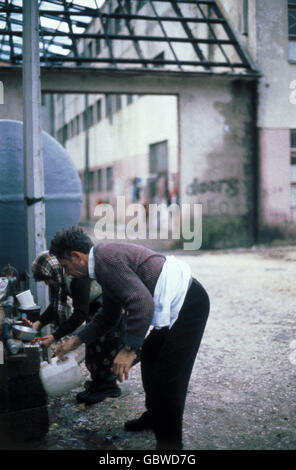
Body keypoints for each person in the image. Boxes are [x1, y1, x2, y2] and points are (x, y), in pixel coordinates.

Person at [50, 226, 210, 451]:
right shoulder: (102, 264)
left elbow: (141, 304)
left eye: (66, 267)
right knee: (152, 357)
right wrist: (75, 341)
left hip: (190, 304)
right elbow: (108, 315)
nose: (67, 274)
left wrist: (128, 350)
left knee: (169, 378)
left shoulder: (106, 261)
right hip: (177, 302)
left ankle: (170, 447)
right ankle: (154, 417)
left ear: (77, 257)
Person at [32, 251, 122, 405]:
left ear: (53, 271)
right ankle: (98, 383)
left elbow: (79, 313)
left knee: (105, 348)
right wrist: (39, 323)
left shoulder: (75, 279)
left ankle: (109, 386)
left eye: (47, 280)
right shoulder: (59, 279)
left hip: (109, 307)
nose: (48, 284)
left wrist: (55, 336)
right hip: (94, 307)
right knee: (93, 348)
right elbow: (54, 306)